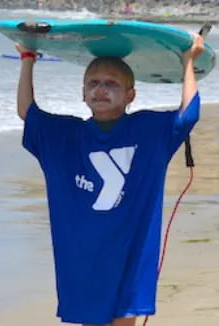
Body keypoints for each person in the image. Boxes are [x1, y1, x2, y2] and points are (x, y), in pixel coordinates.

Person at [14, 33, 204, 326]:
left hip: (132, 251)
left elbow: (188, 114)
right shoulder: (64, 136)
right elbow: (28, 112)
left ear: (131, 95)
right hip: (81, 255)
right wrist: (28, 59)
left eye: (111, 83)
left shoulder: (149, 131)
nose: (101, 89)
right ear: (82, 93)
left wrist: (187, 61)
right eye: (93, 83)